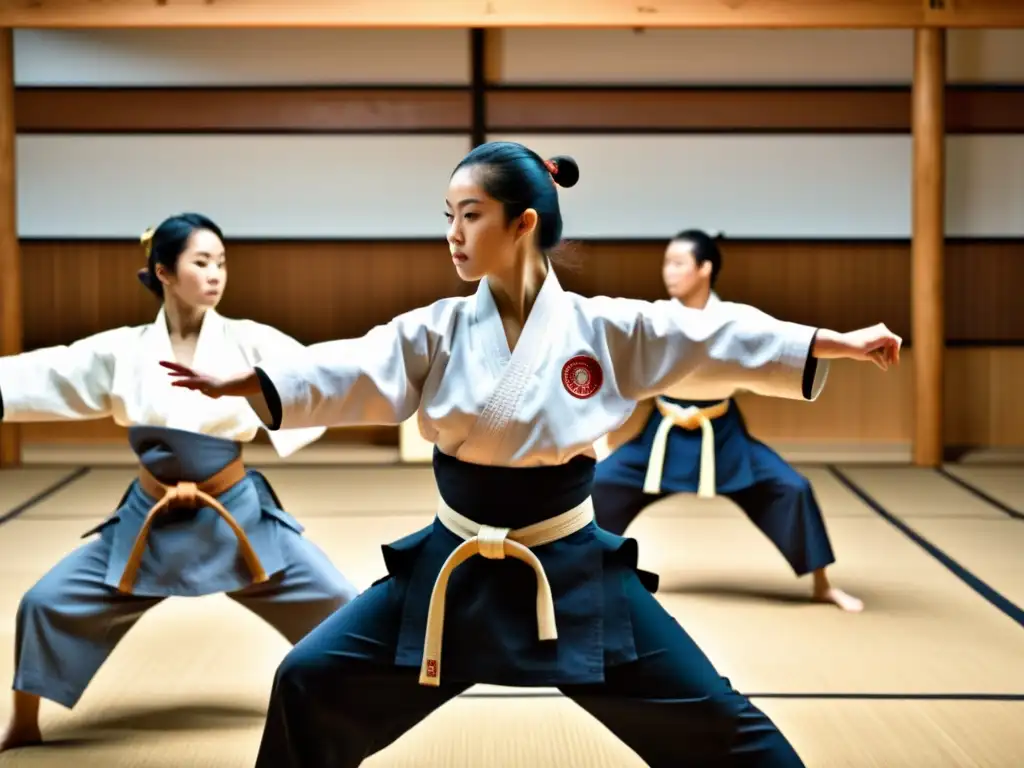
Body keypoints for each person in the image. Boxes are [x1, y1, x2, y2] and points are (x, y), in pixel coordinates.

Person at [166, 143, 901, 767]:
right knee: (306, 680)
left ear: (523, 223)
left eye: (470, 215)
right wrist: (258, 382)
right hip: (450, 574)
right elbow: (355, 369)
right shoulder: (438, 330)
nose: (452, 233)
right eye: (446, 217)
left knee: (724, 727)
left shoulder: (603, 328)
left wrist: (828, 341)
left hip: (571, 570)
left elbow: (715, 338)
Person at [0, 213, 359, 752]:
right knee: (43, 602)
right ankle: (23, 723)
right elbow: (50, 373)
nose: (216, 274)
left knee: (336, 598)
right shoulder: (124, 350)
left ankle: (351, 713)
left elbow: (320, 377)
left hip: (233, 513)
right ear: (163, 272)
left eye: (221, 263)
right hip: (152, 515)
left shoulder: (248, 342)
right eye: (201, 262)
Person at [591, 230, 864, 612]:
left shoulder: (735, 318)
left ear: (705, 269)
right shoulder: (654, 317)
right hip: (662, 433)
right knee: (599, 484)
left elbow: (780, 341)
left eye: (677, 263)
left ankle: (822, 584)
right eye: (665, 262)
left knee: (791, 488)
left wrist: (850, 344)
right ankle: (584, 575)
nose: (667, 271)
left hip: (722, 434)